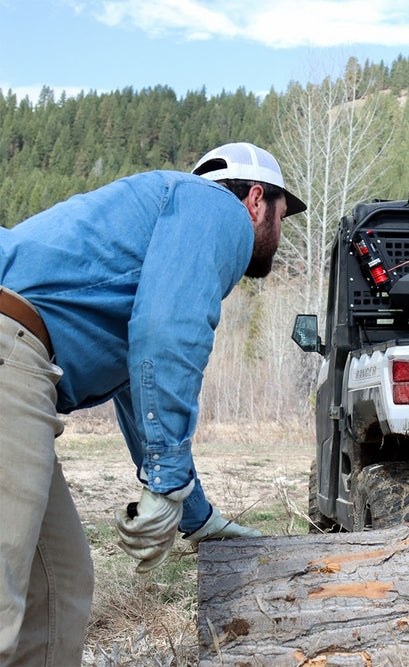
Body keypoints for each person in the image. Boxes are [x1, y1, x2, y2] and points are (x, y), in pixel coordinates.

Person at [0, 142, 306, 665]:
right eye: (283, 214)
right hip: (10, 357)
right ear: (256, 200)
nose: (281, 230)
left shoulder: (163, 221)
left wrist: (194, 514)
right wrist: (164, 480)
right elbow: (168, 334)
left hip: (18, 363)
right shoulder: (217, 210)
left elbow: (137, 389)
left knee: (60, 586)